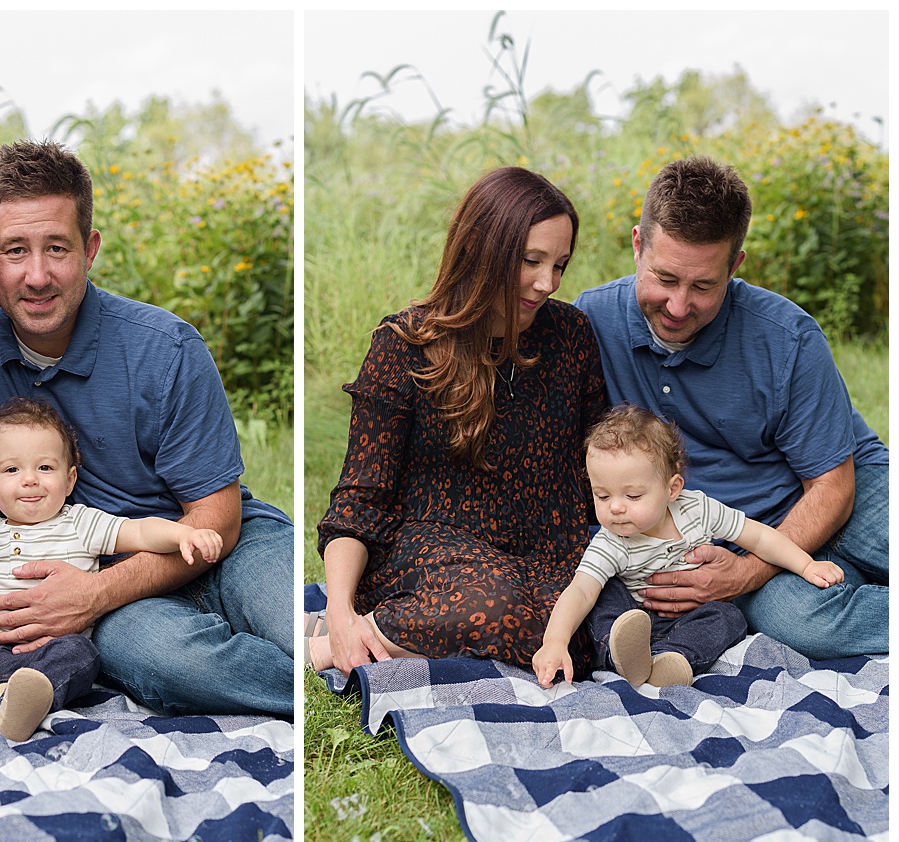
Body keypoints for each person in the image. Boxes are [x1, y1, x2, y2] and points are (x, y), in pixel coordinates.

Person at [0, 140, 294, 718]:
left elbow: (218, 519)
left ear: (90, 249)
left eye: (57, 247)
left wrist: (94, 596)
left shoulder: (168, 348)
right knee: (166, 660)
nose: (36, 275)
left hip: (222, 545)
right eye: (14, 251)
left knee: (288, 613)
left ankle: (321, 655)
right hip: (102, 572)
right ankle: (316, 679)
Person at [574, 156, 888, 660]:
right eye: (665, 278)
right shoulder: (589, 325)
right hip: (737, 535)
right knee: (798, 623)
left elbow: (833, 484)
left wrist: (747, 573)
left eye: (703, 286)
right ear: (638, 245)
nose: (678, 306)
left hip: (846, 486)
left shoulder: (788, 338)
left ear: (735, 267)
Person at [308, 167, 608, 677]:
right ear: (482, 250)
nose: (547, 283)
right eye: (532, 261)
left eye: (560, 265)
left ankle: (408, 633)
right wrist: (339, 611)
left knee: (587, 618)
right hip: (438, 548)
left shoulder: (571, 335)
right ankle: (338, 642)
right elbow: (360, 498)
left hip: (553, 550)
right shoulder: (405, 346)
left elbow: (598, 458)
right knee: (492, 604)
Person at [0, 398, 224, 740]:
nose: (30, 480)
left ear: (69, 480)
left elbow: (140, 531)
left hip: (49, 652)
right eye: (12, 469)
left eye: (45, 467)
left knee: (81, 656)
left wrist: (183, 534)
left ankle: (28, 697)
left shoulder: (80, 523)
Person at [532, 405, 844, 690]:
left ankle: (671, 660)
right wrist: (555, 641)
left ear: (672, 489)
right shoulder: (611, 541)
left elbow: (759, 537)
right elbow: (580, 591)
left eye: (633, 496)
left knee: (728, 618)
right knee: (603, 594)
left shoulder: (697, 510)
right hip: (634, 618)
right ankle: (623, 656)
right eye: (602, 496)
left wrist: (806, 565)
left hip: (690, 618)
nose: (615, 508)